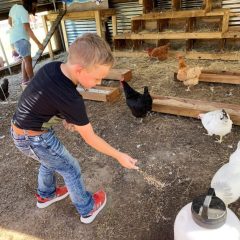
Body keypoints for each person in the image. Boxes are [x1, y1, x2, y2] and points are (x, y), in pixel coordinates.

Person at [10, 33, 138, 224]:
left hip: (21, 130)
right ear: (79, 70)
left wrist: (65, 118)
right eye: (97, 78)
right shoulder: (72, 99)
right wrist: (119, 155)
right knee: (70, 168)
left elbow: (44, 98)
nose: (99, 82)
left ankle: (46, 194)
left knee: (51, 160)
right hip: (34, 138)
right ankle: (87, 208)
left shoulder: (52, 68)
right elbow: (91, 138)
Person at [8, 0, 43, 88]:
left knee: (25, 59)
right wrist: (38, 43)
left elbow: (9, 22)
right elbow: (27, 29)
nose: (34, 7)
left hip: (14, 38)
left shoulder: (14, 7)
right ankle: (33, 81)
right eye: (34, 4)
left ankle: (25, 80)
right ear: (30, 2)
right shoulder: (24, 11)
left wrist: (16, 28)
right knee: (28, 60)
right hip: (21, 39)